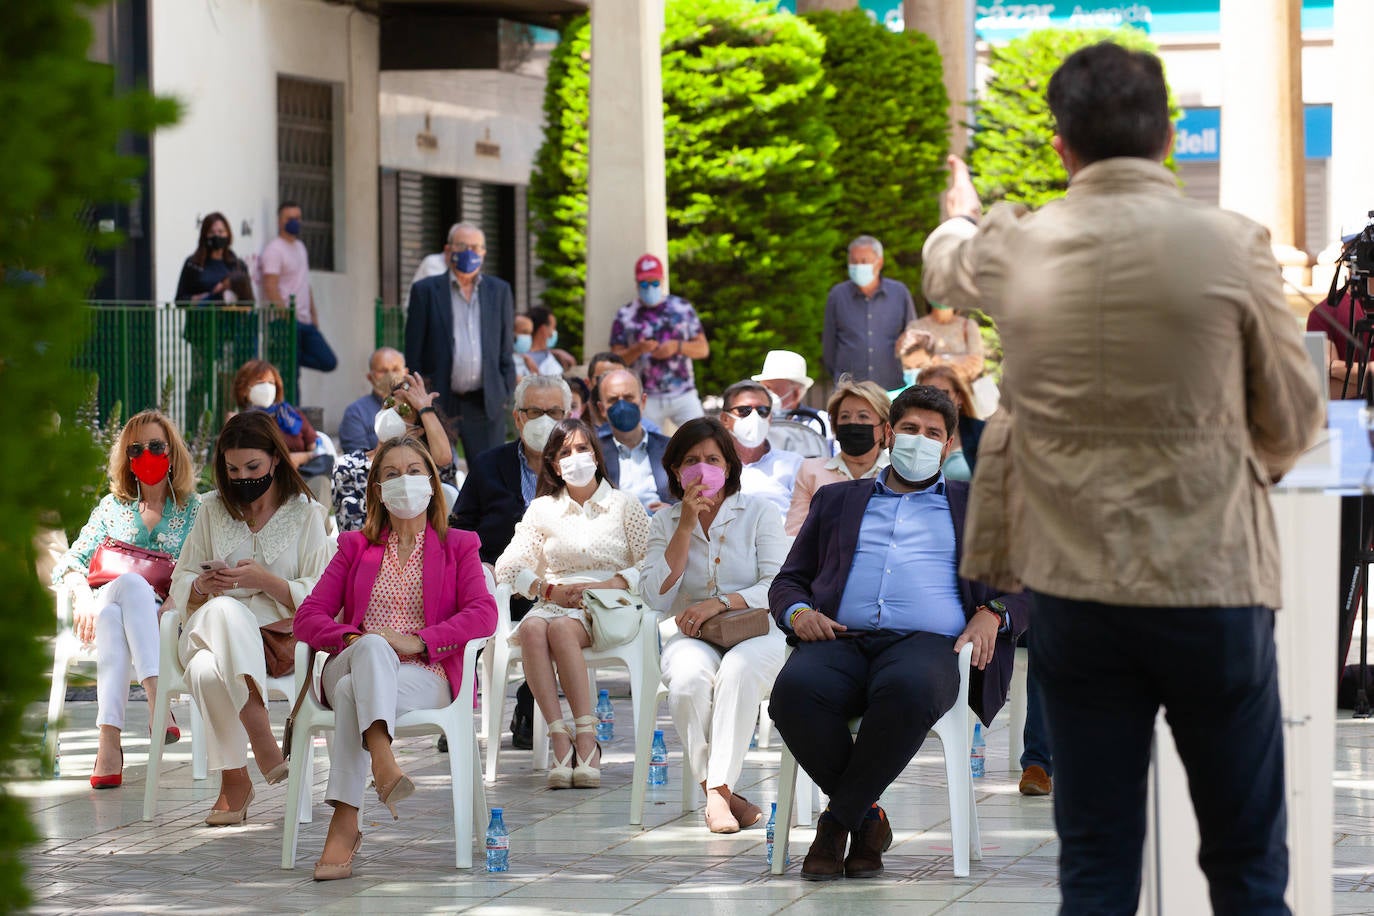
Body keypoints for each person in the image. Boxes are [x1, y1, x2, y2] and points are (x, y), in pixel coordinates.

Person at [922, 42, 1323, 914]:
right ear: (1170, 136)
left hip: (1076, 588)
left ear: (1061, 145)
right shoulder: (1232, 245)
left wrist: (963, 212)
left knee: (1096, 865)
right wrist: (1224, 469)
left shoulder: (1021, 247)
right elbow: (1295, 420)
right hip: (1214, 583)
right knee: (1248, 865)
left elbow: (945, 259)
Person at [768, 386, 1027, 881]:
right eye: (910, 429)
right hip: (839, 638)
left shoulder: (978, 506)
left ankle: (834, 827)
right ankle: (869, 822)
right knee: (794, 694)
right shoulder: (837, 499)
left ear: (949, 445)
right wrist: (799, 613)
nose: (920, 440)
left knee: (909, 690)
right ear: (888, 433)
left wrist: (993, 613)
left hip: (927, 646)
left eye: (933, 433)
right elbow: (788, 580)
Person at [294, 437, 498, 881]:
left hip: (423, 672)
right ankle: (383, 759)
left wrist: (420, 641)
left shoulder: (458, 544)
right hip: (351, 658)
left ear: (431, 482)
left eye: (413, 471)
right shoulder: (354, 546)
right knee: (370, 648)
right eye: (391, 474)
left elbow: (484, 614)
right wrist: (350, 636)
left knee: (354, 691)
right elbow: (307, 617)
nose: (403, 481)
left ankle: (346, 820)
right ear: (377, 490)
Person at [169, 411, 333, 826]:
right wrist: (205, 585)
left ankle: (235, 781)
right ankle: (259, 730)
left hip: (277, 642)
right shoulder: (211, 510)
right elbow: (181, 578)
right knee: (223, 609)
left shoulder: (306, 513)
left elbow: (322, 592)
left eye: (253, 467)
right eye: (233, 469)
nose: (242, 477)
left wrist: (266, 581)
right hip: (211, 625)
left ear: (276, 459)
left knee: (207, 670)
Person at [639, 418, 788, 833]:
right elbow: (655, 596)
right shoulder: (666, 522)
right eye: (691, 460)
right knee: (686, 680)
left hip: (759, 630)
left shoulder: (759, 512)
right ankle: (720, 793)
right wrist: (685, 526)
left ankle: (717, 792)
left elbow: (778, 583)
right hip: (694, 636)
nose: (702, 468)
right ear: (674, 470)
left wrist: (720, 603)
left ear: (729, 466)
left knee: (738, 671)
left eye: (712, 459)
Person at [493, 419, 650, 789]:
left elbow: (653, 562)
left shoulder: (623, 504)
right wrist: (545, 590)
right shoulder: (542, 509)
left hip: (611, 600)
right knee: (532, 628)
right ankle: (558, 736)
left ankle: (586, 738)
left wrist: (614, 582)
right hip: (556, 598)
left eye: (582, 449)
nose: (576, 458)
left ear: (596, 454)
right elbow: (508, 566)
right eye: (565, 452)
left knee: (561, 629)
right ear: (553, 464)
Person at [53, 410, 201, 789]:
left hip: (161, 619)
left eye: (156, 446)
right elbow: (72, 560)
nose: (146, 454)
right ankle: (157, 700)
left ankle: (108, 744)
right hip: (105, 599)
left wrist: (178, 597)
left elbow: (202, 568)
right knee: (129, 588)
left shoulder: (194, 510)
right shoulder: (111, 508)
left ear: (172, 452)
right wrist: (82, 596)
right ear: (126, 458)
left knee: (112, 619)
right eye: (136, 448)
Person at [451, 374, 573, 749]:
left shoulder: (581, 467)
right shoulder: (489, 466)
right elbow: (460, 528)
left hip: (558, 584)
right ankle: (455, 715)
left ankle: (530, 705)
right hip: (496, 582)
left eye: (554, 411)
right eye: (535, 411)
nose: (544, 420)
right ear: (518, 418)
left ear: (568, 415)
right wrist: (480, 569)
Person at [405, 222, 515, 461]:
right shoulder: (425, 291)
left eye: (476, 247)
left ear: (484, 253)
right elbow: (413, 352)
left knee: (488, 476)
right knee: (438, 474)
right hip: (439, 401)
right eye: (462, 246)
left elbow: (506, 351)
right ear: (448, 250)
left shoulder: (500, 291)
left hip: (485, 403)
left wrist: (504, 394)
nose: (470, 253)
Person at [333, 372, 456, 533]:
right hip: (369, 553)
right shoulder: (348, 466)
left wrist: (424, 408)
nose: (391, 412)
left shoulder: (423, 468)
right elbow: (351, 530)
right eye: (389, 403)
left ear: (418, 430)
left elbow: (444, 458)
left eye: (404, 410)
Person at [609, 254, 709, 430]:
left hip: (683, 393)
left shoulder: (682, 308)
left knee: (702, 436)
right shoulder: (625, 314)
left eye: (654, 283)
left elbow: (703, 349)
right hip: (646, 397)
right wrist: (638, 349)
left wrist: (676, 346)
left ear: (662, 281)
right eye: (644, 284)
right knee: (648, 448)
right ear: (637, 284)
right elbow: (614, 362)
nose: (650, 288)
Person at [175, 212, 255, 423]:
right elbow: (180, 299)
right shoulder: (194, 264)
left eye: (221, 231)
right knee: (200, 382)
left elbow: (249, 301)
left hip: (229, 334)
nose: (217, 235)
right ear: (204, 235)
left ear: (228, 234)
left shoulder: (236, 265)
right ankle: (193, 434)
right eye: (212, 232)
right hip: (201, 334)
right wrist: (207, 296)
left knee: (227, 385)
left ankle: (223, 433)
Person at [785, 377, 890, 536]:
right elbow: (794, 534)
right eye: (845, 417)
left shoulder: (894, 474)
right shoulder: (811, 471)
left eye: (863, 416)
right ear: (835, 426)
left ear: (884, 427)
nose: (853, 423)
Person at [822, 235, 918, 390]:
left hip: (893, 388)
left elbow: (912, 338)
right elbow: (829, 348)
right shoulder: (837, 296)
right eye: (853, 261)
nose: (858, 266)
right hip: (849, 390)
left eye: (864, 261)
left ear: (879, 262)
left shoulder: (899, 293)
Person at [260, 201, 337, 377]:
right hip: (285, 321)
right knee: (291, 377)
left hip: (305, 321)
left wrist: (313, 315)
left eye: (298, 218)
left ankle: (290, 357)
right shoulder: (274, 249)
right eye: (290, 218)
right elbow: (270, 286)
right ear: (280, 221)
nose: (295, 222)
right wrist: (285, 315)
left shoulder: (300, 247)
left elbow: (304, 282)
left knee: (328, 361)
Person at [718, 381, 802, 524]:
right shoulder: (712, 466)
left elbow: (803, 519)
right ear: (725, 419)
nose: (755, 417)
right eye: (744, 410)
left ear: (770, 418)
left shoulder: (795, 464)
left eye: (763, 411)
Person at [596, 368, 674, 512]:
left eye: (628, 397)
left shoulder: (672, 449)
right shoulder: (595, 454)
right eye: (613, 400)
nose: (622, 406)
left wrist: (673, 512)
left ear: (643, 401)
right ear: (602, 409)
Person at [231, 360, 324, 474]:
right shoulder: (240, 423)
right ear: (244, 390)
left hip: (303, 478)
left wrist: (302, 457)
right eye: (260, 382)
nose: (267, 388)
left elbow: (317, 449)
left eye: (271, 382)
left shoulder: (292, 415)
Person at [915, 364, 984, 482]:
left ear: (959, 397)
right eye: (926, 394)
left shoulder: (981, 432)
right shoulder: (909, 433)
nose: (934, 401)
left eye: (943, 394)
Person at [894, 304, 985, 386]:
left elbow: (976, 365)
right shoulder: (916, 326)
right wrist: (958, 360)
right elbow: (911, 361)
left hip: (963, 390)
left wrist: (940, 360)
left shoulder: (968, 325)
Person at [338, 348, 408, 453]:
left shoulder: (416, 405)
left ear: (406, 373)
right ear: (370, 377)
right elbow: (358, 458)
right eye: (383, 371)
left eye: (395, 369)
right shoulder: (356, 412)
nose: (390, 375)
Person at [753, 350, 830, 439]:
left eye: (770, 389)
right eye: (763, 388)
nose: (765, 394)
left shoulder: (821, 424)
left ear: (796, 394)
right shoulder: (753, 421)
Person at [516, 306, 576, 378]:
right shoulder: (521, 360)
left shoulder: (554, 356)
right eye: (553, 328)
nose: (553, 333)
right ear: (543, 329)